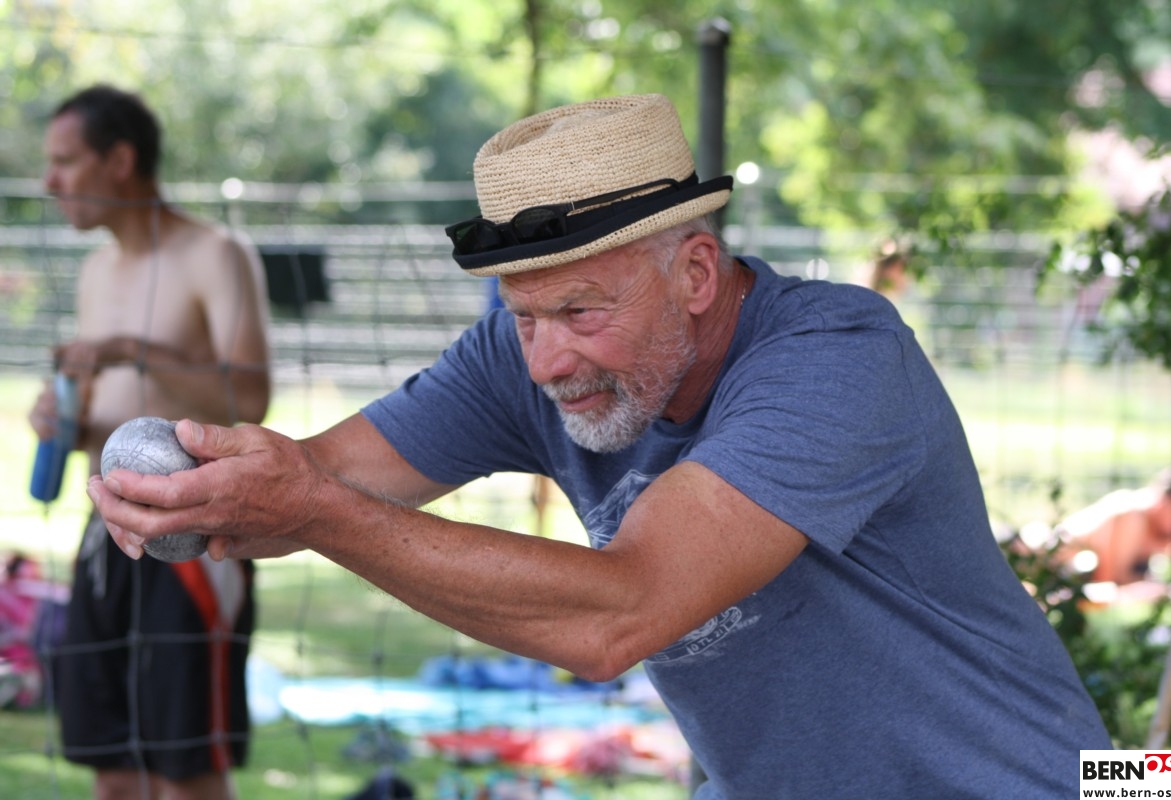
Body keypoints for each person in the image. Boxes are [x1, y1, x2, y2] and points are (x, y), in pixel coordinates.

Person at [88, 94, 1111, 798]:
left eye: (581, 310)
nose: (545, 360)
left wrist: (312, 510)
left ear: (696, 273)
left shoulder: (839, 356)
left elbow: (620, 613)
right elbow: (313, 483)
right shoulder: (525, 355)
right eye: (522, 314)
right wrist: (201, 498)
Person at [30, 84, 271, 800]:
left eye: (64, 161)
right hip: (104, 532)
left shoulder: (216, 253)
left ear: (120, 161)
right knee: (110, 768)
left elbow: (249, 399)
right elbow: (122, 412)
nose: (49, 182)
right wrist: (65, 425)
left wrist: (132, 350)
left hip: (192, 537)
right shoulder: (96, 268)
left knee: (185, 773)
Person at [1054, 470, 1171, 592]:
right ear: (1166, 501)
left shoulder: (1149, 524)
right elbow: (1109, 580)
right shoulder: (1133, 514)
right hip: (1053, 570)